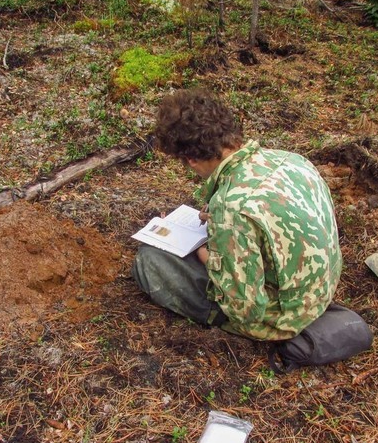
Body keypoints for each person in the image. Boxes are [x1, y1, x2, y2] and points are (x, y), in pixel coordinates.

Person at [131, 87, 343, 353]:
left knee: (150, 259)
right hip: (321, 291)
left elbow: (245, 310)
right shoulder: (292, 160)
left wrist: (201, 251)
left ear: (191, 160)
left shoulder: (231, 209)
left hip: (282, 320)